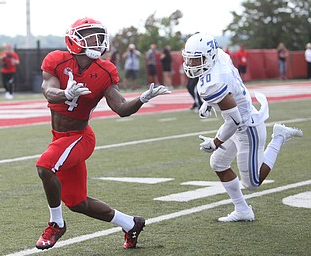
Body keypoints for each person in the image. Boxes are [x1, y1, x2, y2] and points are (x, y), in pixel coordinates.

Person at [35, 17, 170, 250]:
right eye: (91, 36)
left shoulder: (105, 70)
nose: (98, 41)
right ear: (75, 39)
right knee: (78, 202)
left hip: (79, 136)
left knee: (45, 167)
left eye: (100, 36)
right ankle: (130, 223)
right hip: (59, 137)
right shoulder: (57, 60)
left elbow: (121, 108)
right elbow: (48, 90)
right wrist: (66, 94)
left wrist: (142, 99)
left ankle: (56, 224)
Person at [182, 32, 303, 222]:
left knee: (253, 183)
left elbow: (234, 121)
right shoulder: (220, 56)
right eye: (188, 59)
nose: (190, 64)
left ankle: (278, 136)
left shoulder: (213, 84)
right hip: (238, 121)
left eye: (196, 60)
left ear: (209, 56)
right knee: (218, 163)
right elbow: (231, 88)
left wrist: (215, 142)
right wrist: (208, 104)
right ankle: (243, 210)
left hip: (248, 127)